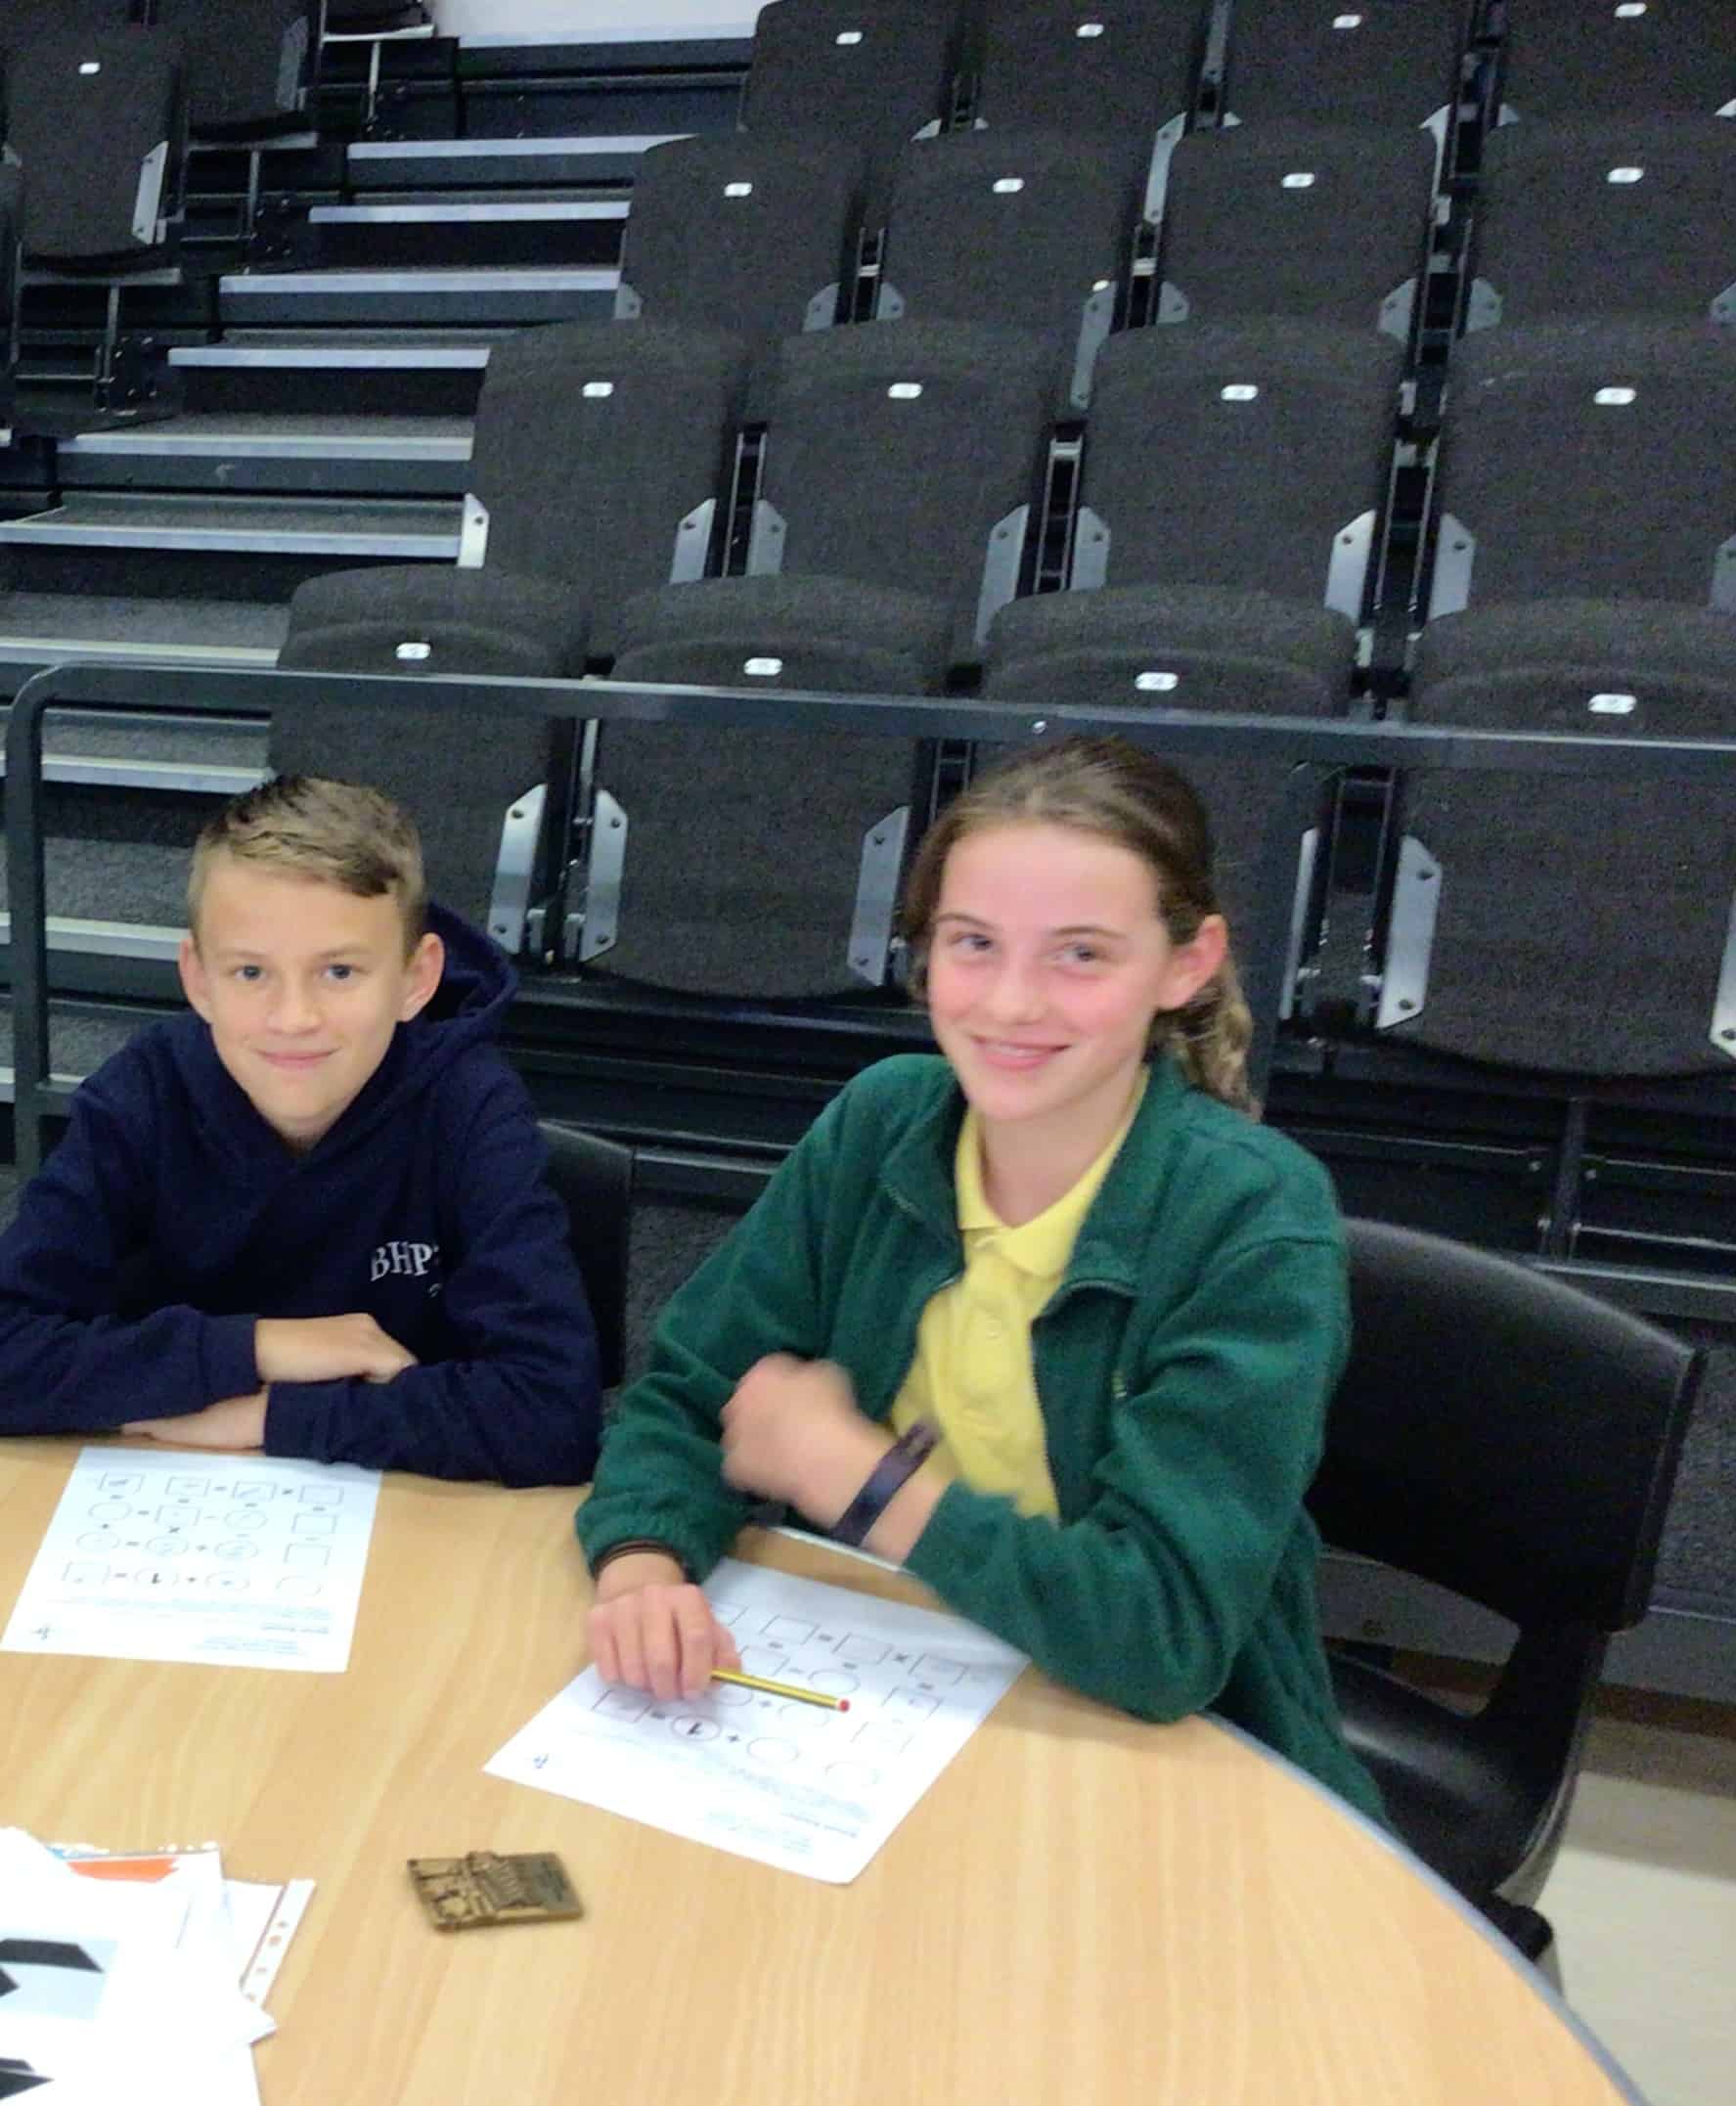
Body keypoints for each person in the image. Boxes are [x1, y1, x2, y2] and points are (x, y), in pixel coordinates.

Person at [573, 737, 1385, 1813]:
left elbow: (1161, 1638)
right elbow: (688, 1394)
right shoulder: (882, 1122)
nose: (1010, 1003)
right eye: (973, 944)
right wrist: (643, 1564)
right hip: (873, 1680)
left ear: (1184, 966)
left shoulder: (1251, 1219)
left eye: (1081, 955)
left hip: (1150, 1747)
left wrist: (859, 1480)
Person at [0, 773, 603, 1487]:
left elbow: (553, 1414)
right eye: (251, 971)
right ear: (198, 979)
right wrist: (257, 1348)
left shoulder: (470, 1108)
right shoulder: (144, 1094)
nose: (293, 1018)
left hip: (408, 1515)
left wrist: (269, 1418)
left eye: (339, 971)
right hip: (164, 1509)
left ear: (416, 978)